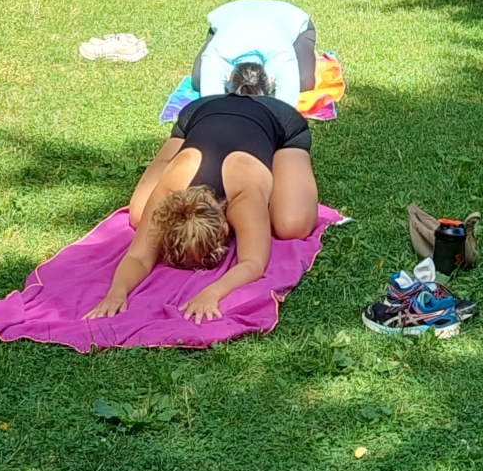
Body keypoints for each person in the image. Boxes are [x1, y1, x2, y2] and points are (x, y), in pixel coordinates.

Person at [83, 62, 317, 324]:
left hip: (278, 118)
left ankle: (273, 147)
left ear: (227, 229)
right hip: (200, 112)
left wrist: (213, 292)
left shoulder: (242, 195)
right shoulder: (170, 190)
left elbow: (253, 262)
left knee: (292, 225)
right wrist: (116, 293)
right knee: (138, 216)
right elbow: (137, 256)